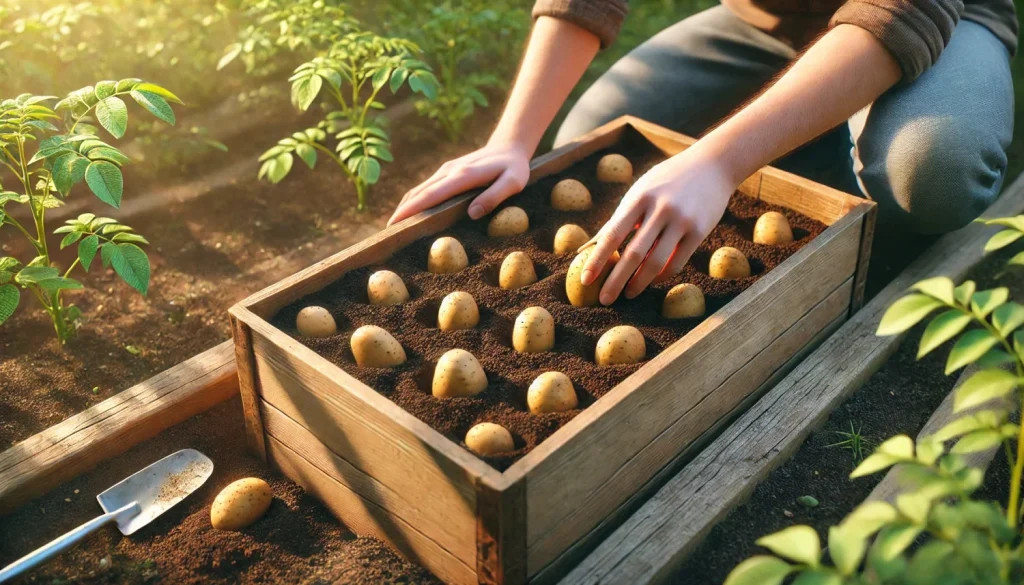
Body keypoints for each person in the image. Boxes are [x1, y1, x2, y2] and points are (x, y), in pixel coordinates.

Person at [389, 0, 1017, 305]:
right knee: (597, 131)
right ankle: (812, 120)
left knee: (933, 172)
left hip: (940, 23)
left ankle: (834, 127)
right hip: (767, 21)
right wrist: (513, 139)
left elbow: (903, 11)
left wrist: (717, 162)